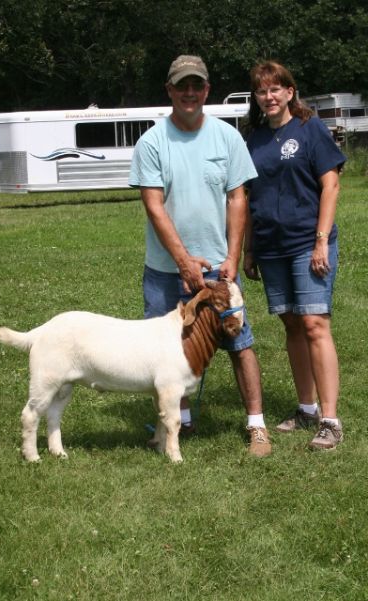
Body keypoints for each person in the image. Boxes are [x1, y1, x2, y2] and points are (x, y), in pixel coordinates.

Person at [129, 55, 271, 457]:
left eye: (197, 85)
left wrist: (232, 254)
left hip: (220, 269)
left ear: (207, 90)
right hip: (164, 270)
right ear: (170, 90)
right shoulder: (153, 142)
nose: (189, 92)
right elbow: (154, 206)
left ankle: (257, 426)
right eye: (181, 85)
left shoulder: (227, 138)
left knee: (240, 343)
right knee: (168, 347)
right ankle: (181, 424)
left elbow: (237, 198)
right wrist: (184, 261)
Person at [244, 60, 346, 450]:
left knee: (315, 324)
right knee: (291, 326)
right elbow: (249, 196)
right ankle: (306, 408)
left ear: (290, 91)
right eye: (261, 90)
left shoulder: (310, 129)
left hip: (308, 243)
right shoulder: (252, 140)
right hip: (271, 247)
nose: (268, 97)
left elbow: (331, 185)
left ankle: (330, 420)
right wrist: (250, 249)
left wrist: (321, 241)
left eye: (275, 89)